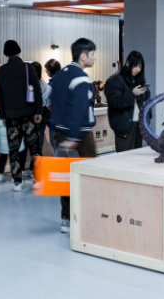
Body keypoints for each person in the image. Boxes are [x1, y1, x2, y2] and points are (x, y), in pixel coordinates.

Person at [51, 38, 98, 233]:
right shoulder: (81, 78)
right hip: (80, 136)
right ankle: (86, 218)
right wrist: (74, 137)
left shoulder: (59, 76)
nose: (95, 58)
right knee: (88, 177)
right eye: (93, 54)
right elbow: (79, 108)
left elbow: (53, 103)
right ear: (83, 56)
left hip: (60, 133)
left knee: (65, 178)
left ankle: (66, 218)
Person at [0, 40, 42, 192]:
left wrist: (3, 116)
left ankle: (17, 181)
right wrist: (38, 111)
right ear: (19, 51)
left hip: (11, 117)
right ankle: (38, 179)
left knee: (14, 149)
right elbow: (37, 90)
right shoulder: (28, 68)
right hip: (28, 115)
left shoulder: (1, 71)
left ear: (6, 54)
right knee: (34, 147)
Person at [105, 51, 151, 153]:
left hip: (139, 125)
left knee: (137, 157)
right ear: (127, 63)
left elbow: (147, 102)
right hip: (124, 127)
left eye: (140, 67)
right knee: (124, 157)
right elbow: (116, 102)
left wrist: (148, 116)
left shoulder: (139, 80)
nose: (137, 69)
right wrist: (132, 93)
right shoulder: (116, 81)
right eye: (135, 66)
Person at [44, 59, 62, 153]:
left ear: (51, 70)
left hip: (55, 120)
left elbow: (49, 103)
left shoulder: (53, 83)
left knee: (55, 143)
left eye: (46, 70)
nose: (46, 72)